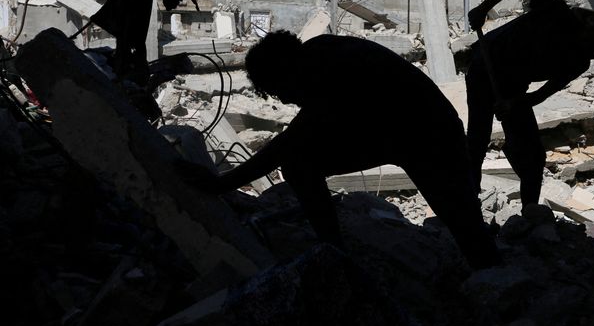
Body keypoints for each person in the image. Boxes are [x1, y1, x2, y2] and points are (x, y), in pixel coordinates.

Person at [181, 30, 499, 269]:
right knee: (299, 164)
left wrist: (221, 184)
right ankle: (334, 249)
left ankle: (335, 255)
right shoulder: (320, 55)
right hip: (400, 134)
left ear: (284, 73)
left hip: (430, 137)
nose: (286, 101)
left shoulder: (323, 69)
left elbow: (288, 142)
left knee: (465, 227)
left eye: (280, 92)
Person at [466, 0, 594, 206]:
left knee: (534, 158)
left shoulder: (578, 62)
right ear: (591, 32)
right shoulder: (558, 13)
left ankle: (530, 214)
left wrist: (512, 104)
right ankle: (468, 204)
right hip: (487, 63)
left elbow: (540, 95)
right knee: (477, 140)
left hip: (513, 87)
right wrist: (483, 9)